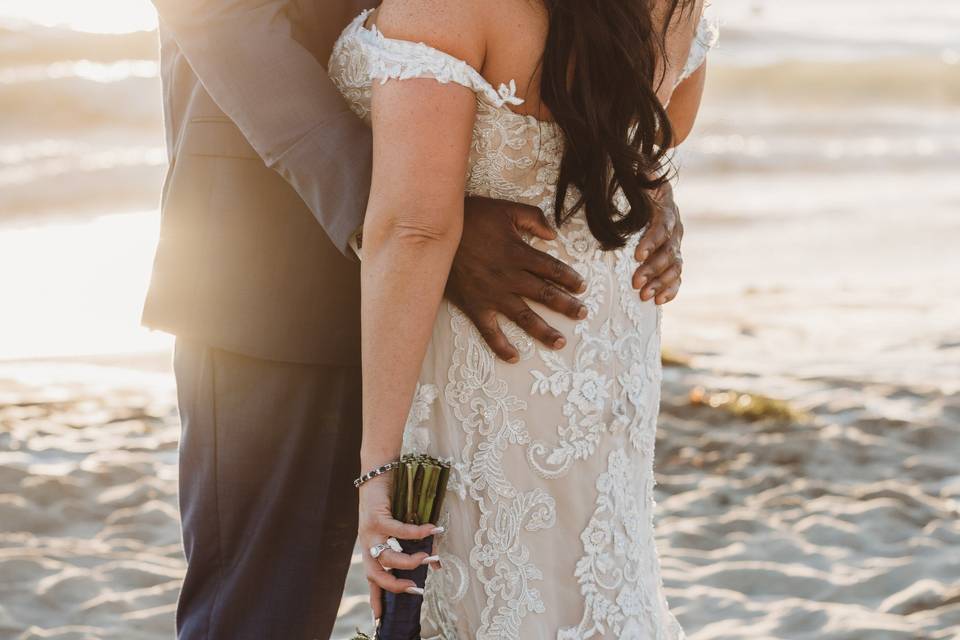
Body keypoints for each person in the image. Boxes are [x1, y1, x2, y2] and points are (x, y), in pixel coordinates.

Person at [142, 0, 687, 637]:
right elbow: (219, 19)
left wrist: (643, 180)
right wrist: (416, 215)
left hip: (478, 316)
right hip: (275, 273)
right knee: (264, 612)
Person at [331, 0, 716, 637]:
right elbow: (657, 139)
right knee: (594, 581)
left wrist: (377, 472)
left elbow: (417, 228)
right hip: (604, 333)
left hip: (496, 347)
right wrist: (657, 197)